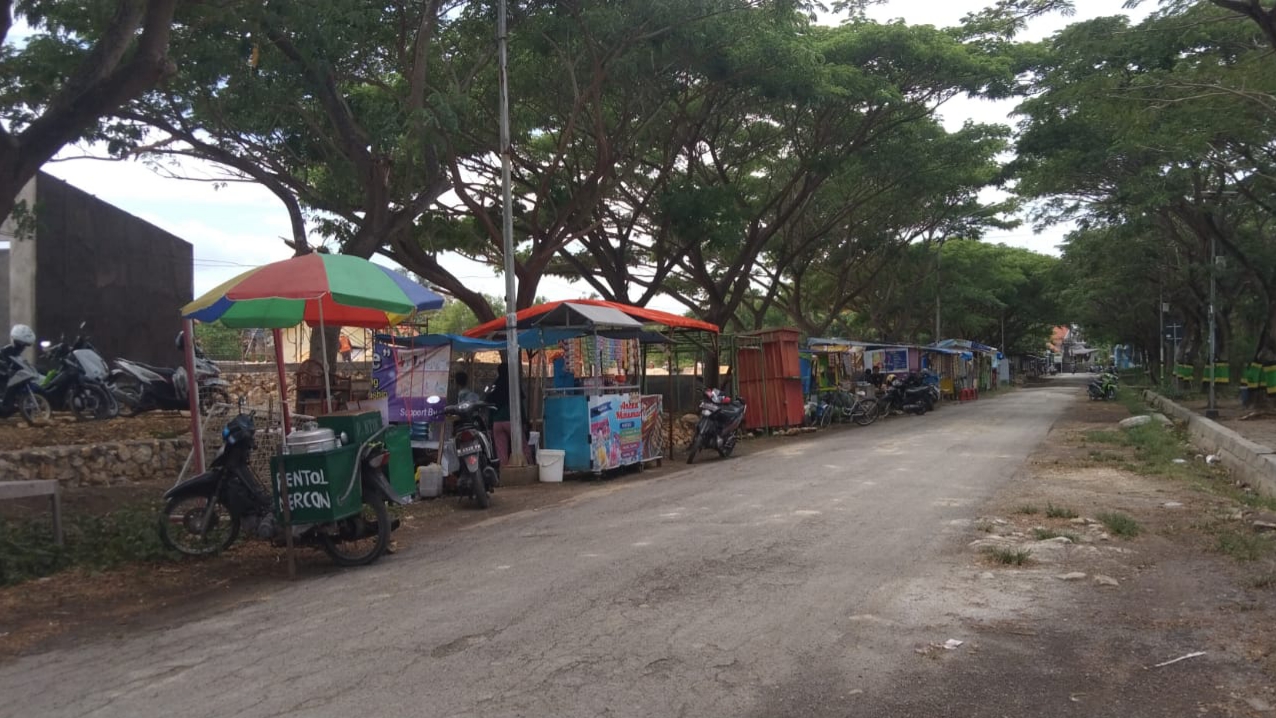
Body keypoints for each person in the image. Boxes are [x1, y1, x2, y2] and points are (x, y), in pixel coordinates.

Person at [488, 361, 530, 465]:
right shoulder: (514, 385)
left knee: (501, 452)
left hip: (497, 423)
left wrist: (490, 425)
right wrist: (524, 422)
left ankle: (504, 471)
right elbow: (520, 406)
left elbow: (490, 407)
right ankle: (528, 466)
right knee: (522, 447)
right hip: (512, 421)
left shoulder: (494, 386)